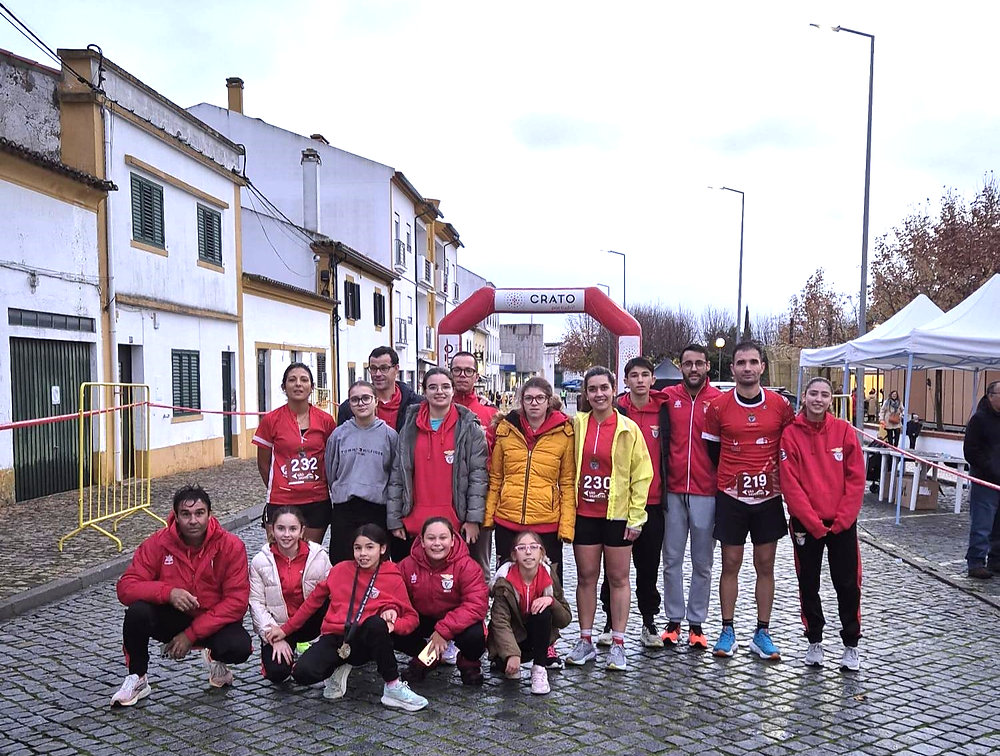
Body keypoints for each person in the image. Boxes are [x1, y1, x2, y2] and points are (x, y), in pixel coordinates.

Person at [111, 486, 252, 707]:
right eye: (186, 514)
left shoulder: (231, 546)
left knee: (239, 646)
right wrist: (168, 593)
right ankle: (137, 677)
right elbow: (126, 587)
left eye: (199, 513)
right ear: (175, 516)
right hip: (173, 616)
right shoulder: (158, 543)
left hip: (212, 621)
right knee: (137, 612)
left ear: (210, 514)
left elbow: (236, 602)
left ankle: (215, 657)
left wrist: (190, 635)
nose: (193, 520)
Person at [265, 524, 427, 711]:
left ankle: (392, 686)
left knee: (376, 624)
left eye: (369, 547)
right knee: (303, 674)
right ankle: (338, 668)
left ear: (382, 549)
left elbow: (411, 618)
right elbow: (311, 604)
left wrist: (392, 625)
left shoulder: (392, 575)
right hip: (336, 636)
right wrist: (284, 630)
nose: (363, 554)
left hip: (365, 639)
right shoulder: (340, 570)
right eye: (358, 548)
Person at [703, 341, 795, 660]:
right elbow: (712, 450)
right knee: (730, 564)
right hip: (731, 496)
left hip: (768, 496)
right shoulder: (719, 407)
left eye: (753, 362)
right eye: (741, 362)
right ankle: (727, 630)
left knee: (765, 565)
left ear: (762, 367)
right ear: (732, 369)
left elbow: (790, 446)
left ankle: (762, 632)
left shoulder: (781, 405)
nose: (747, 368)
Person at [565, 366, 653, 671]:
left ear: (614, 390)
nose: (599, 394)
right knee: (586, 578)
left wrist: (636, 517)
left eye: (604, 388)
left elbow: (642, 475)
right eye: (593, 389)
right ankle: (585, 640)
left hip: (616, 515)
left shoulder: (628, 428)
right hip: (584, 514)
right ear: (585, 394)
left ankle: (618, 643)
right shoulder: (576, 425)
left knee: (618, 578)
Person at [780, 377, 865, 671]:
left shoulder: (843, 431)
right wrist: (812, 522)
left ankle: (851, 644)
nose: (818, 399)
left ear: (831, 400)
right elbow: (790, 483)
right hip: (807, 524)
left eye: (824, 395)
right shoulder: (791, 435)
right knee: (808, 583)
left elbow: (856, 479)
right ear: (804, 397)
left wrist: (843, 520)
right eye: (813, 393)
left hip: (841, 524)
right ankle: (814, 640)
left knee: (847, 584)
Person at [596, 357, 668, 649]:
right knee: (614, 568)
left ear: (653, 380)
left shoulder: (664, 413)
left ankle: (649, 621)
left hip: (652, 501)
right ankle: (610, 621)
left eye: (645, 375)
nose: (640, 380)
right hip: (617, 504)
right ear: (624, 381)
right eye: (633, 375)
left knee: (648, 565)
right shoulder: (615, 412)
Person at [389, 368, 489, 566]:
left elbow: (478, 477)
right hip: (415, 521)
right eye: (432, 387)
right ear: (424, 391)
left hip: (455, 521)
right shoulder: (409, 427)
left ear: (453, 390)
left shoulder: (470, 428)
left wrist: (473, 519)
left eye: (445, 386)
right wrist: (394, 519)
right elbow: (398, 475)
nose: (439, 392)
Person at [660, 344, 722, 650]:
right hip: (672, 491)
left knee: (703, 562)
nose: (693, 369)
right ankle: (673, 619)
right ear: (680, 366)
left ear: (707, 366)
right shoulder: (669, 398)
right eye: (687, 364)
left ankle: (697, 623)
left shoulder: (719, 401)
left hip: (706, 492)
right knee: (671, 560)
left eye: (699, 363)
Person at [484, 376, 575, 580]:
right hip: (509, 519)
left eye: (540, 398)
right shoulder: (506, 430)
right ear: (522, 401)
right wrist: (489, 517)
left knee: (547, 583)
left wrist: (566, 526)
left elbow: (567, 483)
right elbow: (496, 478)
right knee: (507, 582)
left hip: (546, 521)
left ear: (548, 401)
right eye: (529, 398)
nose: (534, 403)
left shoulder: (564, 433)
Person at [395, 517, 489, 685]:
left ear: (452, 540)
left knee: (475, 635)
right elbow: (395, 597)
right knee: (392, 626)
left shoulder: (468, 566)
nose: (437, 543)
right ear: (422, 541)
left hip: (456, 621)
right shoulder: (406, 566)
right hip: (422, 617)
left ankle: (469, 663)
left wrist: (443, 631)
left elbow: (476, 605)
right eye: (431, 538)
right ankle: (427, 657)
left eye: (443, 538)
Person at [253, 362, 337, 544]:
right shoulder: (271, 420)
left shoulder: (326, 421)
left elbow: (332, 459)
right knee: (279, 557)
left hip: (316, 500)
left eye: (304, 380)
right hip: (281, 499)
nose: (298, 384)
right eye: (292, 380)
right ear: (284, 387)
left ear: (312, 387)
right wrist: (280, 484)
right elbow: (263, 463)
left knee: (310, 556)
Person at [249, 507, 332, 683]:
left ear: (302, 530)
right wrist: (272, 636)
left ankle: (328, 651)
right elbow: (256, 603)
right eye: (281, 528)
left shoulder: (319, 556)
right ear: (272, 529)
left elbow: (335, 596)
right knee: (277, 673)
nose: (287, 534)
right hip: (279, 625)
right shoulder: (259, 562)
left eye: (293, 529)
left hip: (312, 622)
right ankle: (279, 653)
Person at [325, 380, 402, 564]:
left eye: (366, 398)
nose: (361, 403)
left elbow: (394, 474)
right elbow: (331, 470)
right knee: (342, 561)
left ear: (376, 401)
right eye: (355, 399)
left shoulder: (390, 435)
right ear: (349, 404)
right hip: (345, 507)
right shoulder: (338, 435)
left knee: (374, 561)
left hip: (376, 508)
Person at [488, 530, 572, 695]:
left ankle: (539, 669)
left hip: (538, 637)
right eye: (522, 548)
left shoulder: (549, 576)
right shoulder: (503, 582)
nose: (528, 552)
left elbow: (565, 619)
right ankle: (508, 659)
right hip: (512, 638)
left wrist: (551, 601)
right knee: (506, 670)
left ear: (541, 553)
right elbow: (500, 622)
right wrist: (512, 654)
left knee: (543, 612)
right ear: (514, 555)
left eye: (534, 547)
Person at [450, 350, 498, 578]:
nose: (462, 375)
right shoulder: (436, 408)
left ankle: (478, 613)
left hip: (479, 496)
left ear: (476, 376)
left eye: (468, 371)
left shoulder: (491, 413)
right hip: (445, 495)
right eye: (457, 370)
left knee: (479, 565)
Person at [963, 381, 1000, 580]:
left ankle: (996, 560)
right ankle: (976, 561)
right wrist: (991, 469)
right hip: (985, 481)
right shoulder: (979, 420)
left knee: (998, 526)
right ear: (991, 396)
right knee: (982, 523)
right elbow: (971, 451)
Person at [337, 346, 423, 431]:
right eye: (373, 368)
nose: (377, 374)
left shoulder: (417, 405)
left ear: (396, 369)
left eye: (384, 368)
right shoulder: (350, 408)